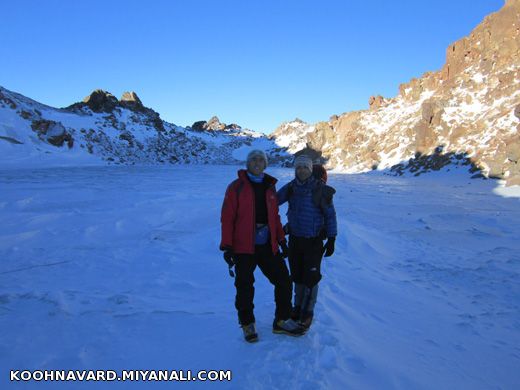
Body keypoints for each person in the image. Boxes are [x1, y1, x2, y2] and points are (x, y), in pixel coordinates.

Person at [220, 149, 305, 342]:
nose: (257, 162)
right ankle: (247, 324)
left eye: (261, 160)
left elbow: (274, 217)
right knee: (244, 286)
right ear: (248, 164)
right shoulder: (236, 187)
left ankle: (282, 320)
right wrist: (227, 246)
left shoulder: (269, 187)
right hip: (243, 246)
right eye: (253, 159)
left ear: (266, 164)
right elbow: (227, 218)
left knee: (283, 280)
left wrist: (281, 240)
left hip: (267, 245)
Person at [277, 154, 337, 331]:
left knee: (310, 278)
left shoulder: (320, 190)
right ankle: (297, 307)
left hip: (313, 242)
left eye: (305, 167)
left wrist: (332, 238)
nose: (302, 170)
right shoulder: (290, 188)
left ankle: (308, 311)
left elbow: (330, 215)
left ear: (310, 170)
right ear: (295, 170)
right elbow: (273, 201)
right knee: (297, 276)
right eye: (299, 167)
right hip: (295, 239)